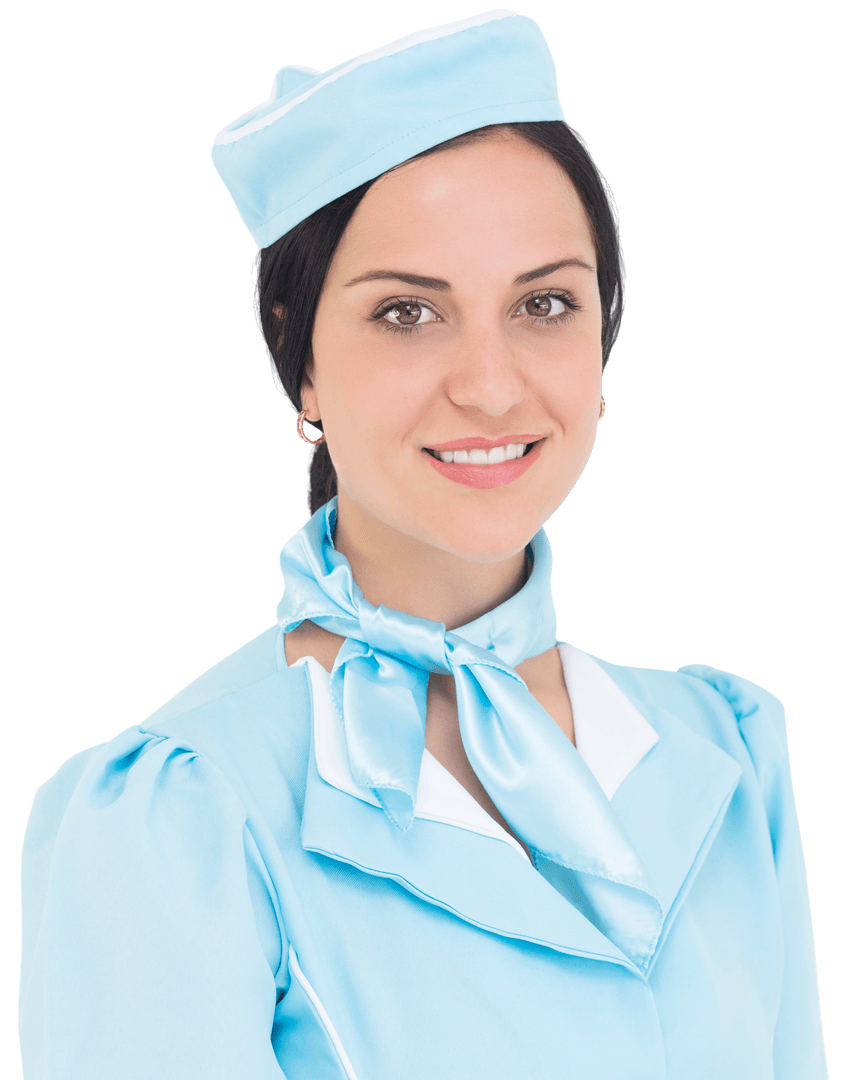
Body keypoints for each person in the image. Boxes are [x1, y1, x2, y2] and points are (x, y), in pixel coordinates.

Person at [18, 10, 828, 1079]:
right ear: (299, 358)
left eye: (544, 303)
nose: (490, 387)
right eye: (407, 313)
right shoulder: (185, 810)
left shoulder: (722, 751)